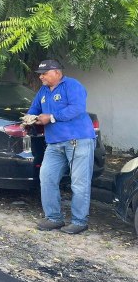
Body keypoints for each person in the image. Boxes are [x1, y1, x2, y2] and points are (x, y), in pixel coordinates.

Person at [23, 59, 97, 235]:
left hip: (78, 140)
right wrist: (28, 119)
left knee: (79, 183)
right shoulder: (43, 91)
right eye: (40, 74)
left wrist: (52, 117)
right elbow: (34, 109)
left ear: (56, 72)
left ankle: (79, 221)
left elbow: (77, 109)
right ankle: (54, 218)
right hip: (54, 143)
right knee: (47, 177)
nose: (40, 77)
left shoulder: (72, 85)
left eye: (44, 73)